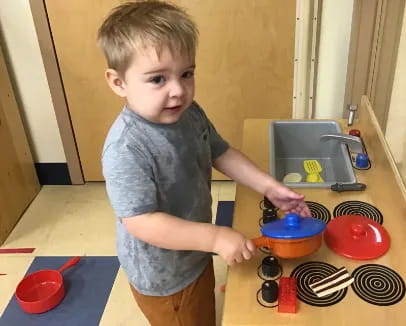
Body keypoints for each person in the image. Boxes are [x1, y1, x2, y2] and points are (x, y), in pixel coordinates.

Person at [97, 1, 310, 325]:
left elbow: (220, 151)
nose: (178, 91)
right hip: (165, 276)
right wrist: (214, 238)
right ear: (118, 82)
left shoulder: (188, 112)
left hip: (194, 246)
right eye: (157, 79)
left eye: (187, 74)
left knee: (203, 306)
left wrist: (268, 186)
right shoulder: (126, 148)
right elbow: (141, 222)